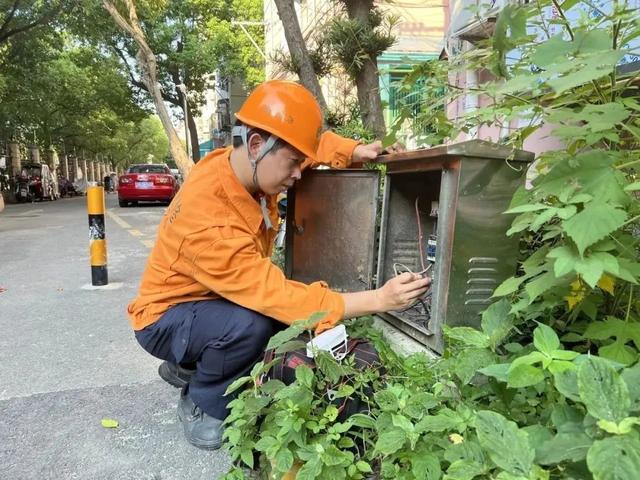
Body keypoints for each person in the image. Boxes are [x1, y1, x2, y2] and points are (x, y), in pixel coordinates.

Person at [127, 80, 430, 450]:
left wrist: (353, 150)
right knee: (252, 324)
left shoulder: (241, 164)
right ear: (256, 145)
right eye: (293, 165)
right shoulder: (208, 222)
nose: (299, 174)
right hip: (164, 318)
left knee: (265, 322)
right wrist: (378, 300)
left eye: (300, 162)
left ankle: (190, 362)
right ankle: (203, 400)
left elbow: (307, 147)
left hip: (205, 302)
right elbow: (274, 294)